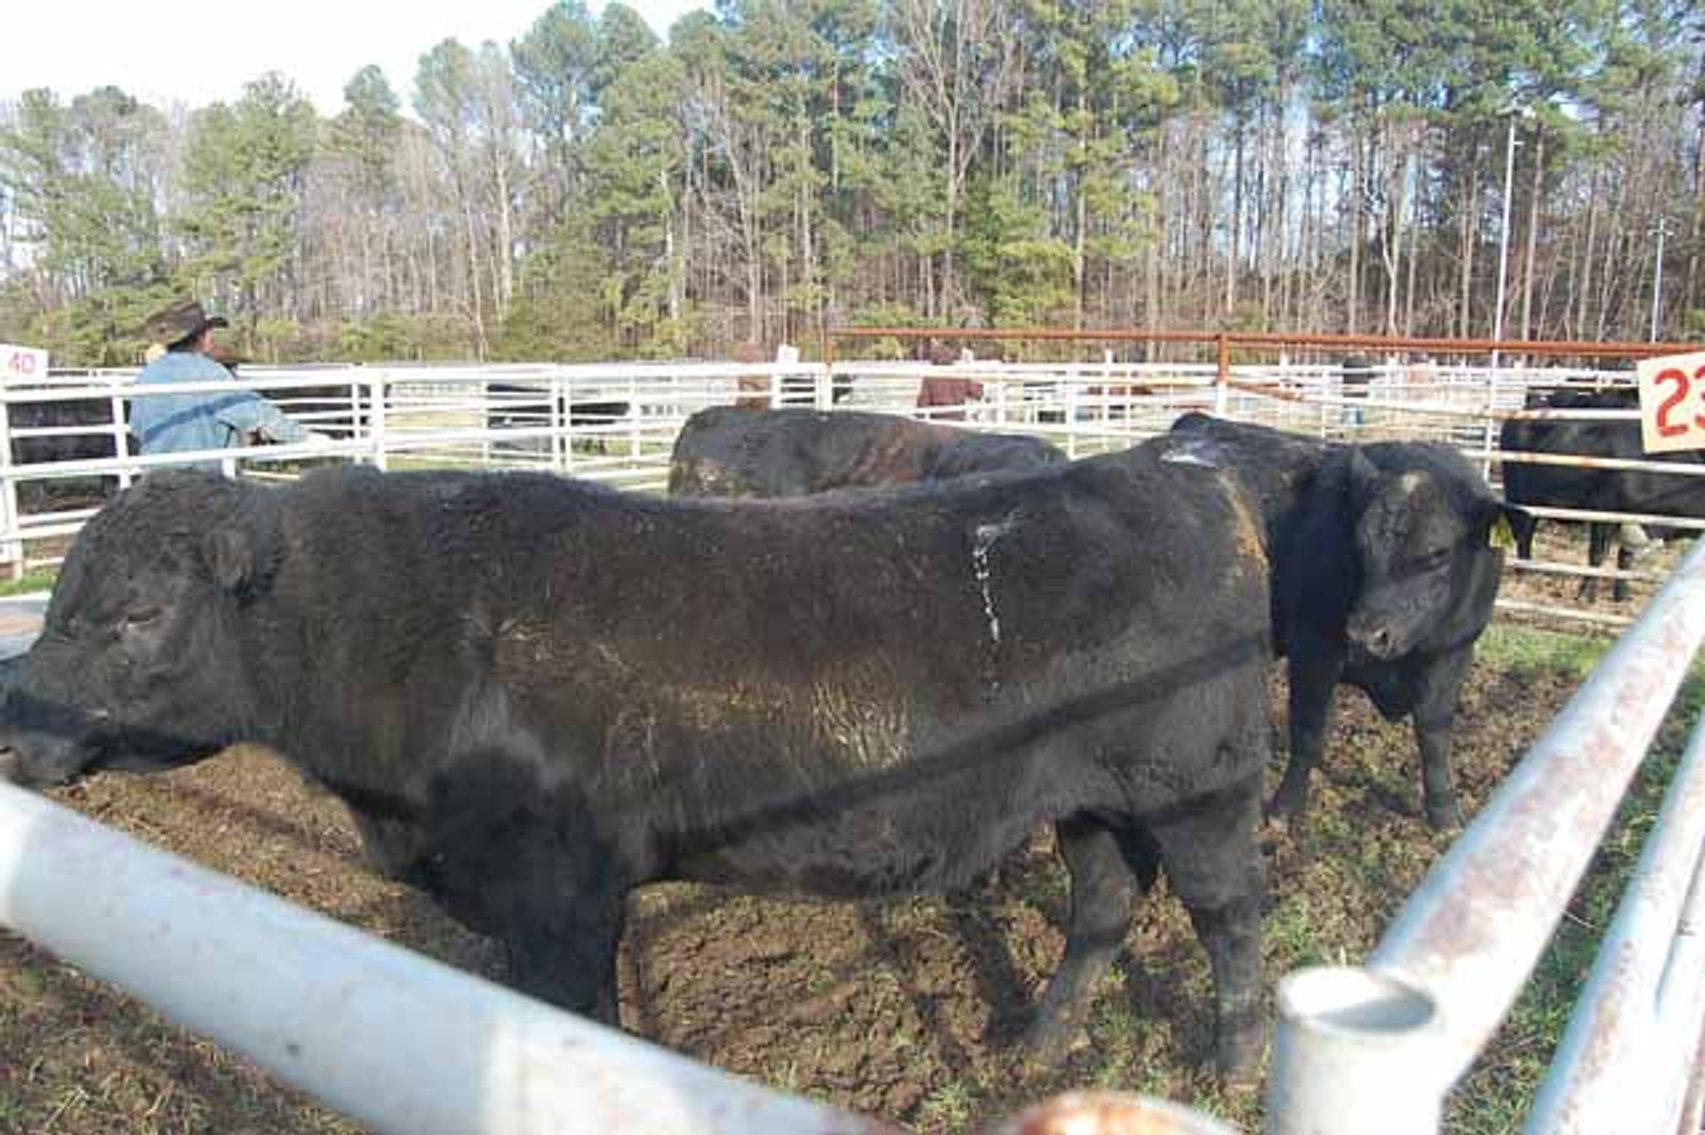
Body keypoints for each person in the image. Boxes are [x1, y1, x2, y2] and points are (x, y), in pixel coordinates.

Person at [129, 299, 327, 468]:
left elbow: (137, 428)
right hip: (204, 482)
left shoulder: (147, 376)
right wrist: (307, 438)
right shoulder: (209, 372)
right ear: (202, 337)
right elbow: (257, 414)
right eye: (209, 332)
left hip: (155, 483)